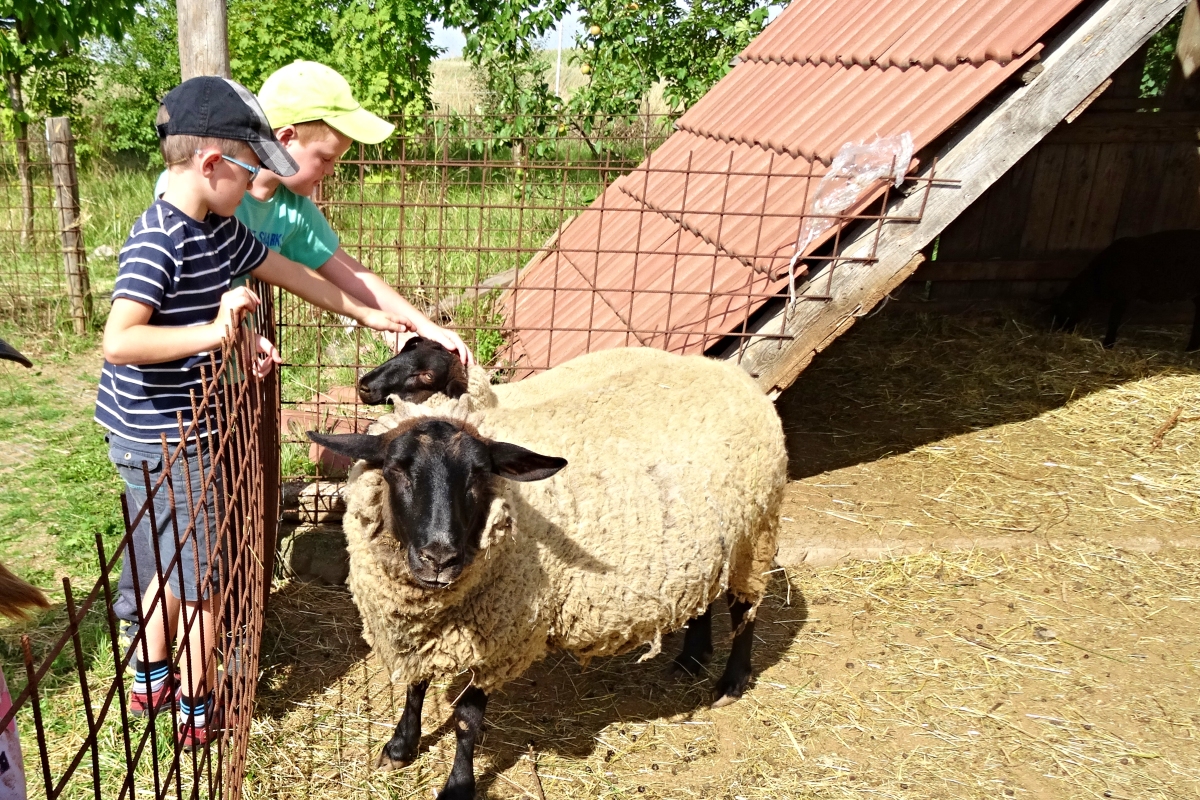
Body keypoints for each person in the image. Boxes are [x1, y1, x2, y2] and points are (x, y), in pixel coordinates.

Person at [118, 61, 477, 659]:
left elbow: (340, 273)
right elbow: (181, 282)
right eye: (327, 159)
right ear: (283, 142)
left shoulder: (284, 210)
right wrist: (231, 330)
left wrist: (413, 322)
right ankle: (146, 632)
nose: (331, 172)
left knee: (206, 516)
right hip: (166, 401)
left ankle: (212, 612)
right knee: (165, 525)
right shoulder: (198, 200)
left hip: (222, 383)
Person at [98, 76, 408, 749]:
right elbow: (120, 340)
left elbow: (284, 269)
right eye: (247, 170)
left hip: (171, 426)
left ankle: (150, 677)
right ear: (213, 164)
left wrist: (366, 313)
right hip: (171, 433)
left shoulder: (218, 229)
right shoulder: (160, 239)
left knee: (166, 558)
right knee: (203, 579)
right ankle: (198, 704)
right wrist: (215, 334)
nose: (254, 184)